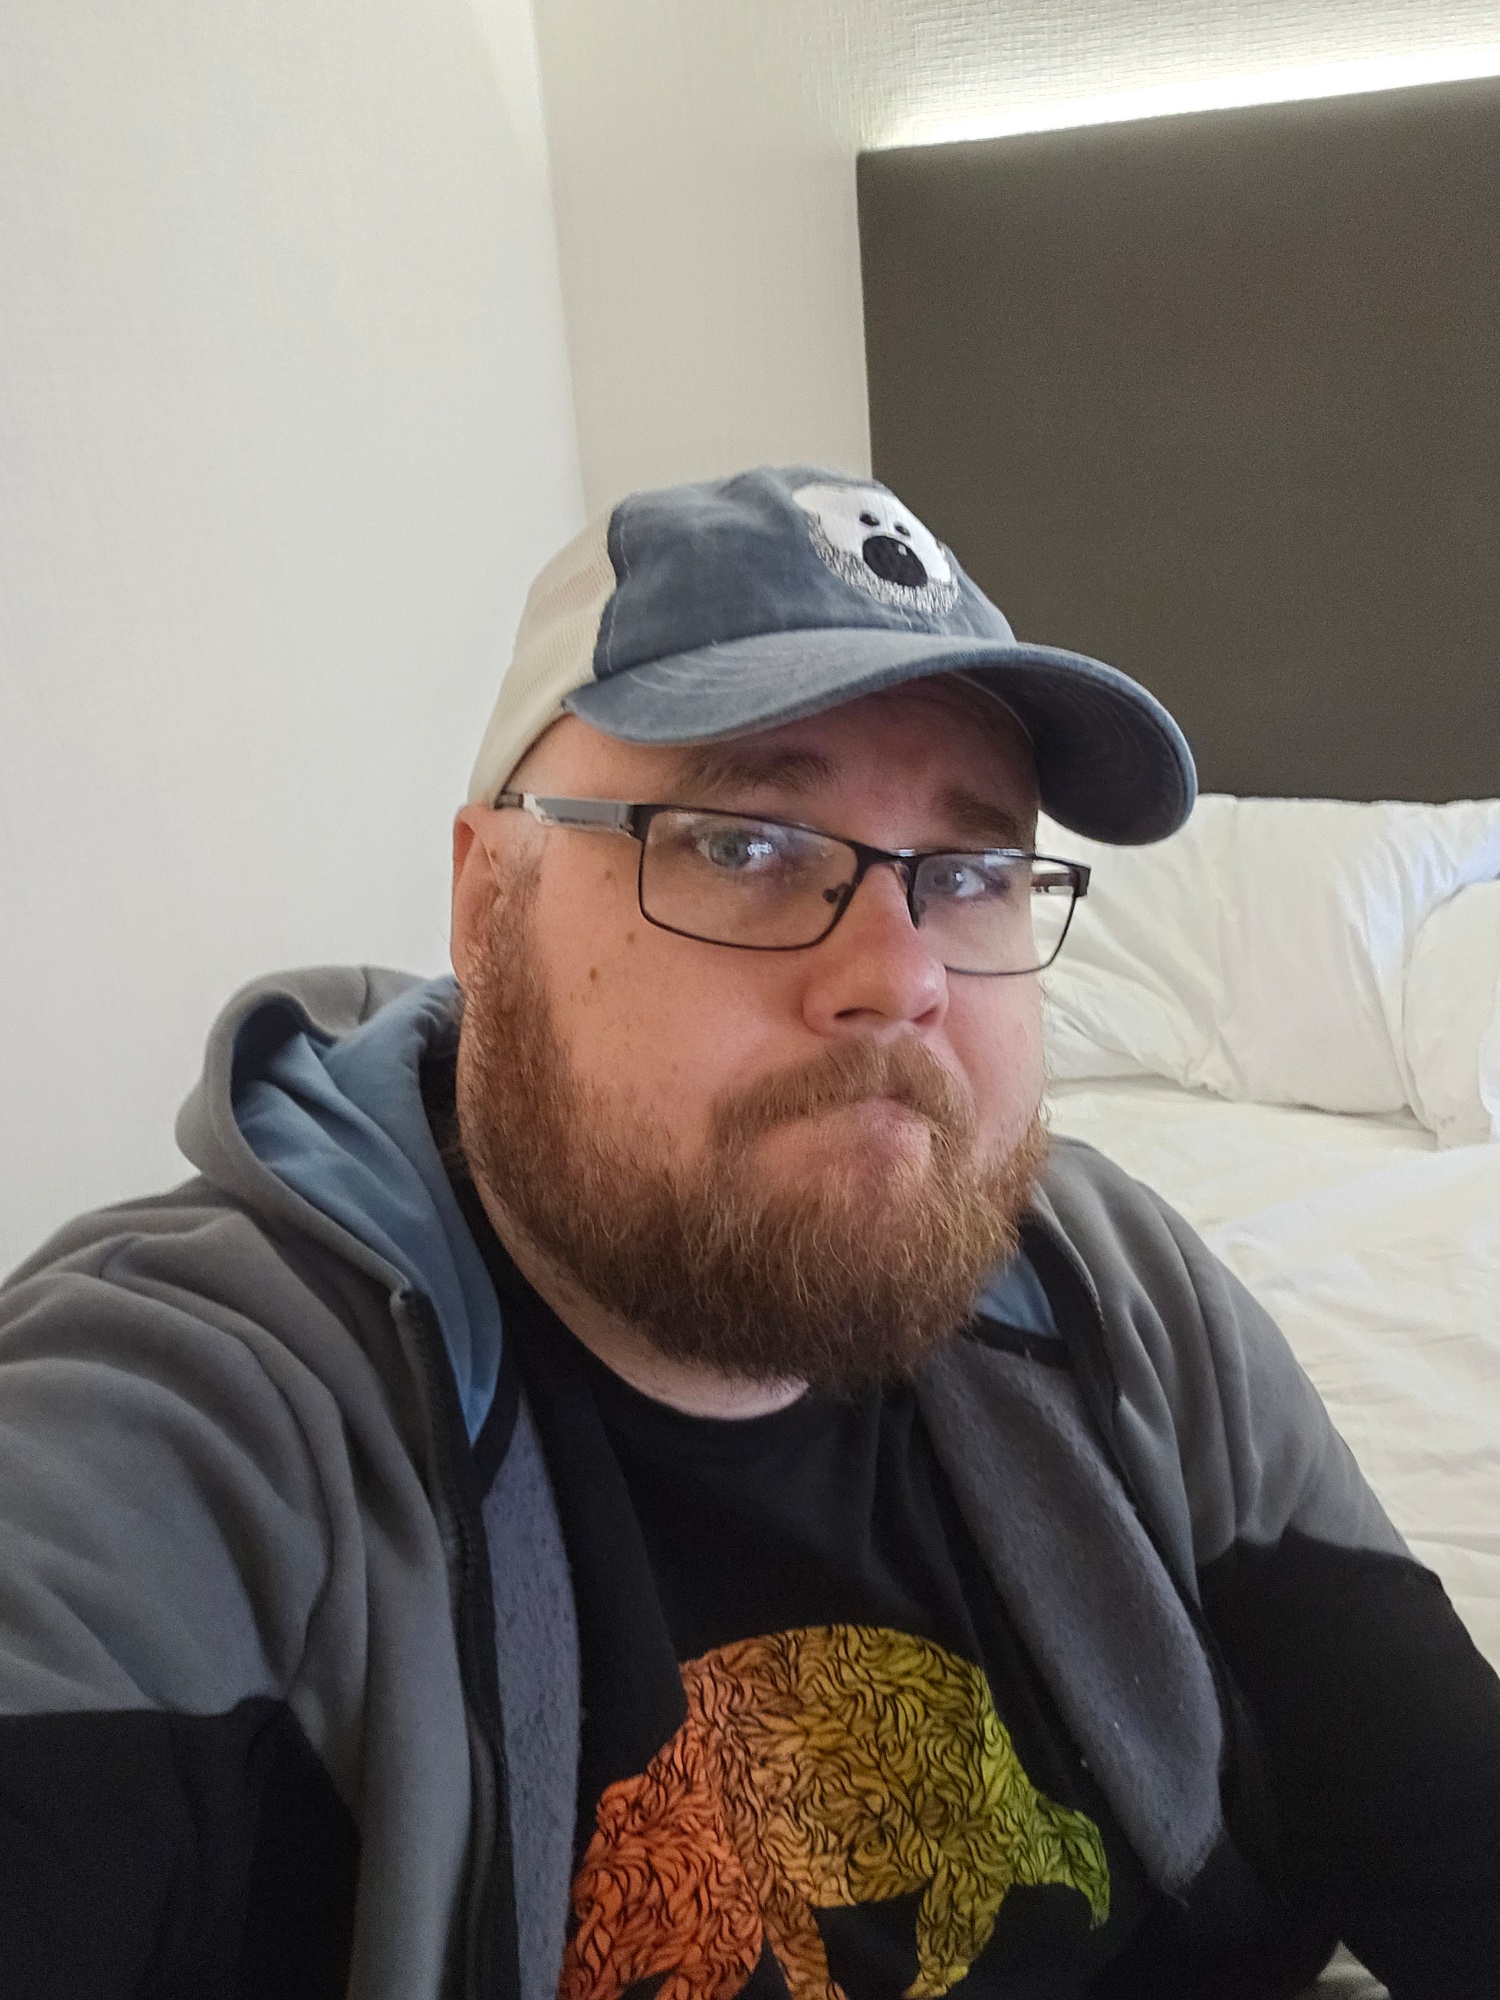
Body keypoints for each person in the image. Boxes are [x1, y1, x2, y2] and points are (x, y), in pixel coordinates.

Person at [1, 466, 1496, 2000]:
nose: (898, 979)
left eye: (974, 873)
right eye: (743, 843)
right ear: (486, 901)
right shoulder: (196, 1427)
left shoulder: (1117, 1290)